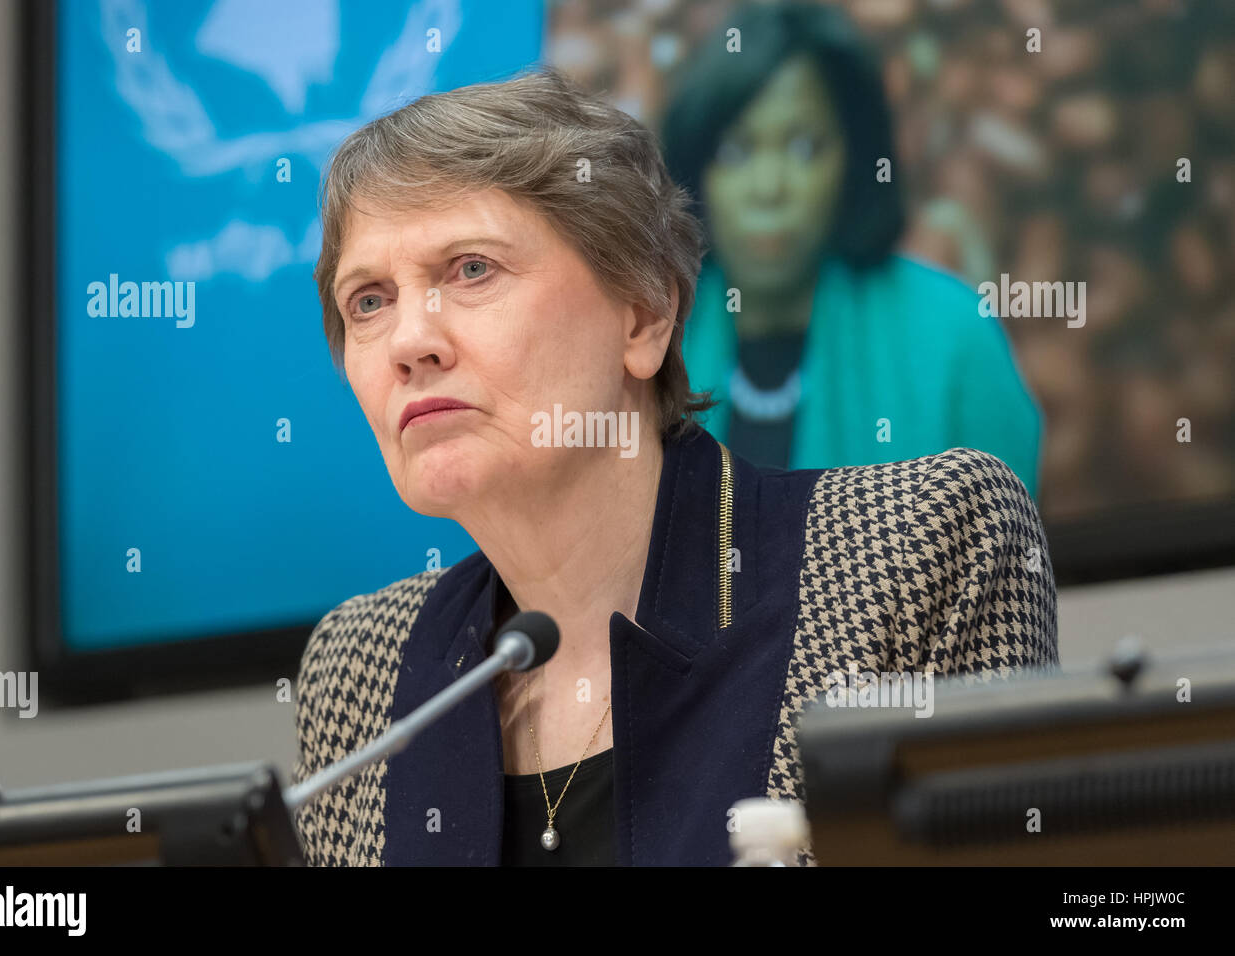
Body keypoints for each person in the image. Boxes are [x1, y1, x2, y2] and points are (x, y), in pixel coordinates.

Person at [290, 66, 1058, 867]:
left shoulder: (914, 547)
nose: (411, 341)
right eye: (368, 301)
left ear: (646, 314)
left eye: (470, 269)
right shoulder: (362, 672)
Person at [660, 2, 1045, 499]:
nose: (769, 188)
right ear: (697, 168)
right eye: (736, 151)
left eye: (804, 148)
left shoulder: (955, 340)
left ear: (853, 159)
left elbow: (1011, 563)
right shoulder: (645, 339)